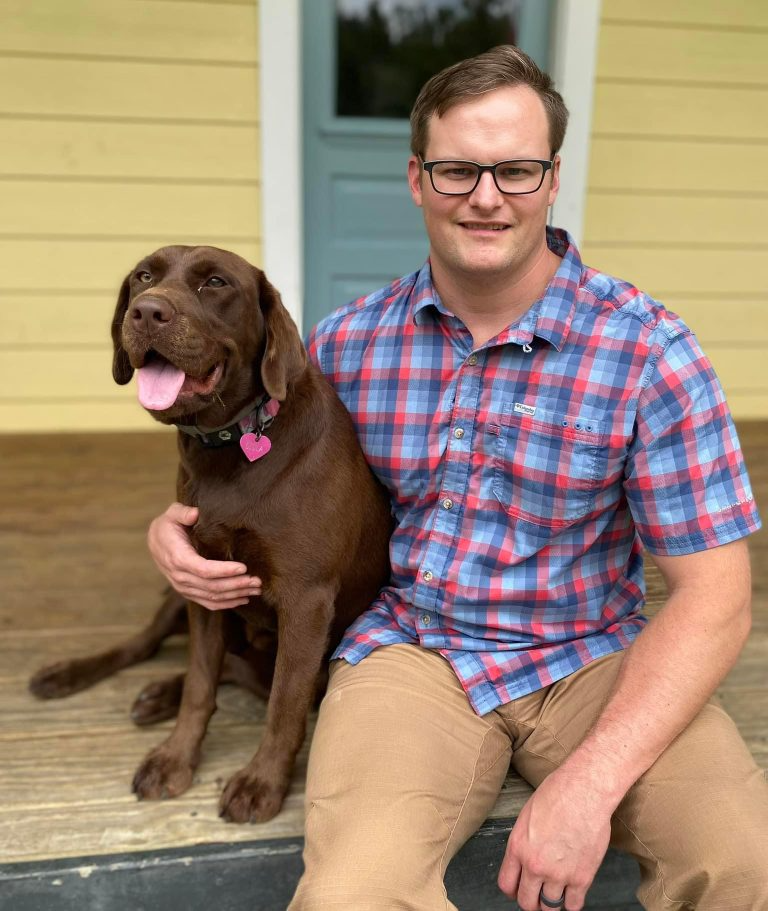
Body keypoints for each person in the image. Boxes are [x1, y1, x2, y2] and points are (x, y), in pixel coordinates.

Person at [148, 46, 768, 911]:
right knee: (349, 896)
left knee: (743, 862)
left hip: (594, 658)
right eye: (456, 169)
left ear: (552, 179)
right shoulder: (348, 344)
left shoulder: (649, 351)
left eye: (515, 169)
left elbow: (716, 598)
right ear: (416, 178)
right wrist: (172, 527)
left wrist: (588, 787)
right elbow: (240, 450)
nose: (486, 196)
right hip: (410, 653)